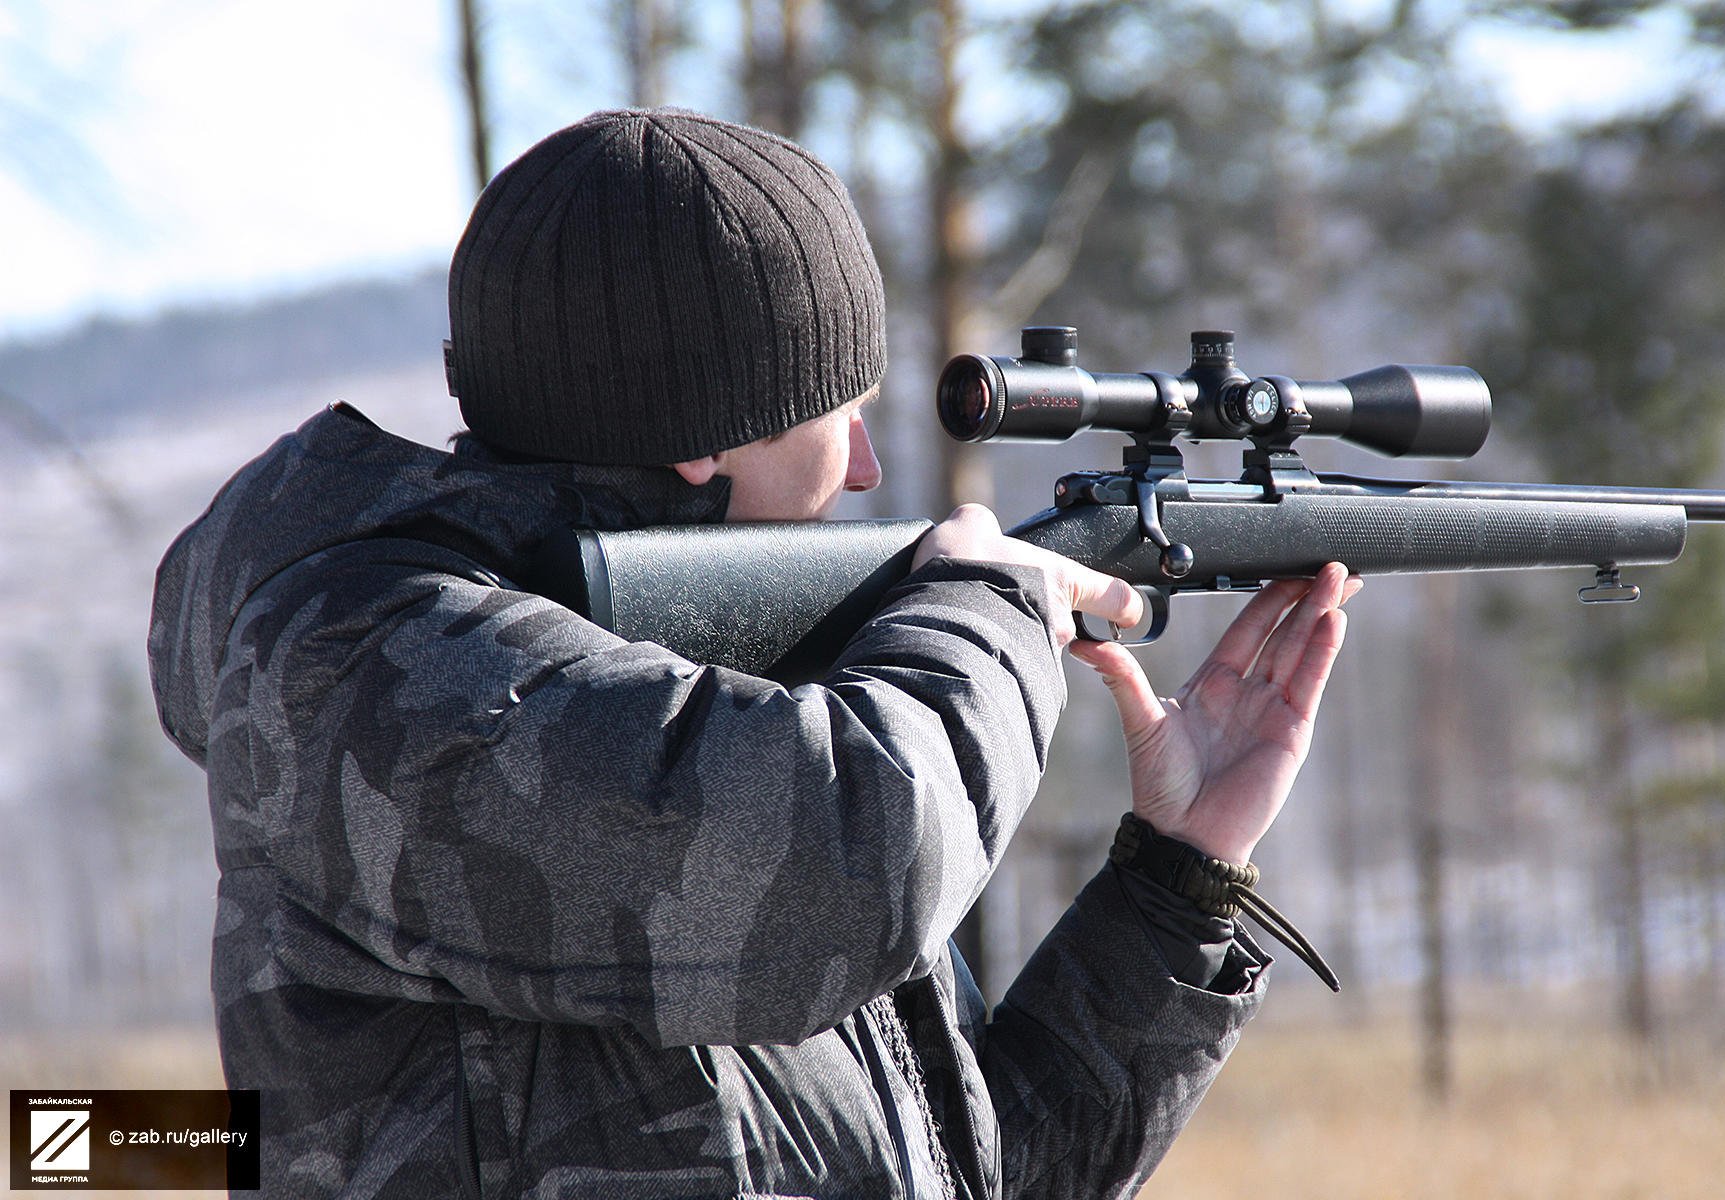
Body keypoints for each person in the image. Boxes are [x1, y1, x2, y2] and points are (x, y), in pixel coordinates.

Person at [148, 107, 1356, 1199]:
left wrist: (1177, 885)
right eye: (842, 411)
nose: (871, 469)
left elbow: (981, 1175)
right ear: (703, 441)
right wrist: (988, 607)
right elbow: (858, 858)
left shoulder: (737, 712)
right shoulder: (374, 677)